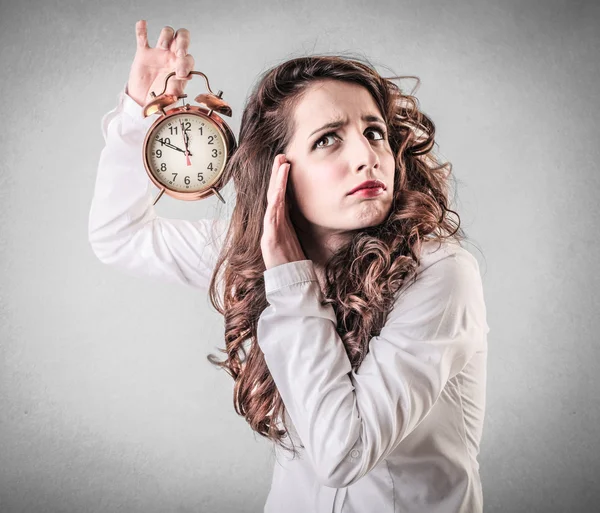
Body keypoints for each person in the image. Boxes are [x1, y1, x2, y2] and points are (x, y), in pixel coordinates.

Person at [88, 20, 490, 513]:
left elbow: (345, 453)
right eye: (327, 140)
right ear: (278, 169)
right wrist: (137, 112)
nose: (367, 157)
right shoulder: (248, 253)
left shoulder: (442, 274)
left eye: (374, 132)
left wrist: (291, 283)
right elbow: (116, 235)